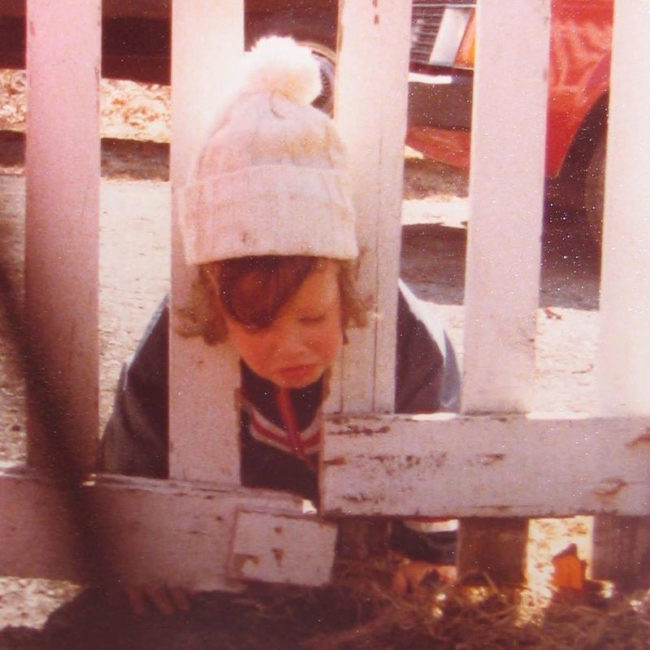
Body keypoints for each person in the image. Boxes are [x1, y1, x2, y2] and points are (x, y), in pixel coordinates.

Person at [97, 36, 460, 613]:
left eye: (312, 316)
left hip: (352, 544)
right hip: (237, 533)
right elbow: (132, 443)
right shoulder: (174, 345)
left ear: (345, 284)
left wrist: (427, 544)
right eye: (257, 327)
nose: (289, 347)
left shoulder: (408, 340)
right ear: (218, 309)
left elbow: (437, 439)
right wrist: (139, 541)